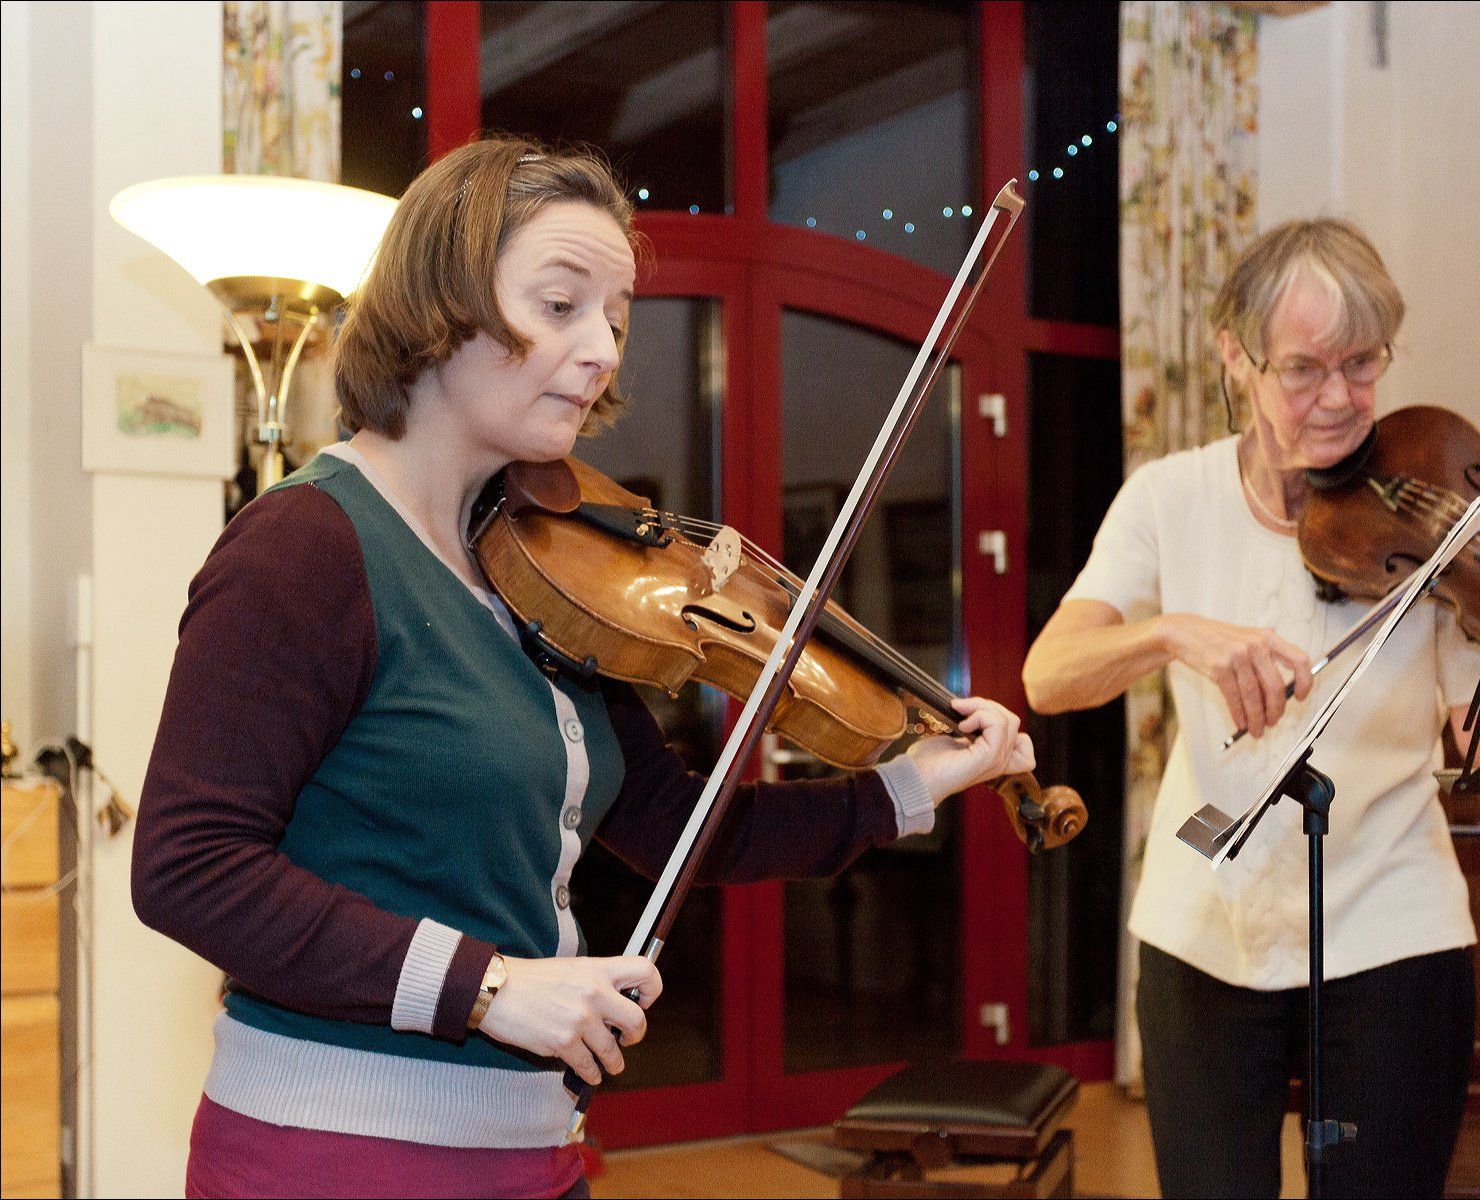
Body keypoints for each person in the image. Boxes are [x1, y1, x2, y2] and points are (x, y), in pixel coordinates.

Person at [132, 137, 1034, 1200]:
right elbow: (188, 866)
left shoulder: (544, 571)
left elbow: (677, 824)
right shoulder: (305, 546)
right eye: (561, 305)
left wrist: (913, 784)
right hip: (335, 1155)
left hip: (534, 1151)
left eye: (615, 317)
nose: (603, 349)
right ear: (438, 303)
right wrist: (491, 988)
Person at [1022, 218, 1480, 1199]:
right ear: (1237, 356)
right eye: (1304, 369)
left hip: (1394, 925)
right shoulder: (1168, 499)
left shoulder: (1430, 509)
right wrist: (1173, 634)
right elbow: (1050, 674)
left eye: (1362, 363)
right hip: (1203, 928)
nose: (1340, 399)